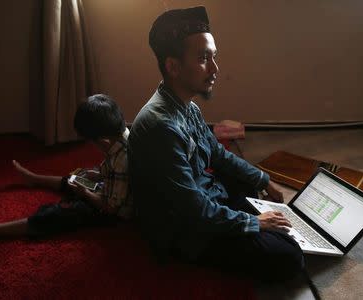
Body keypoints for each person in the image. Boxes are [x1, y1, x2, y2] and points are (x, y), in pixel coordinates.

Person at [128, 6, 304, 281]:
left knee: (250, 185)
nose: (215, 68)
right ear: (173, 67)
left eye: (214, 57)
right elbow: (192, 209)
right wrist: (253, 222)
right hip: (185, 229)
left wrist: (262, 178)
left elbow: (218, 156)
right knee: (290, 257)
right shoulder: (160, 126)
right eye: (203, 59)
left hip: (205, 198)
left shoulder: (187, 107)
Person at [0, 94, 132, 240]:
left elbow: (111, 208)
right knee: (74, 179)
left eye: (92, 143)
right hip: (109, 189)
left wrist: (86, 194)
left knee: (58, 214)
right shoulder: (122, 134)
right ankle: (33, 179)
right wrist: (99, 175)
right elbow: (112, 168)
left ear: (103, 141)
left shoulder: (122, 161)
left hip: (110, 212)